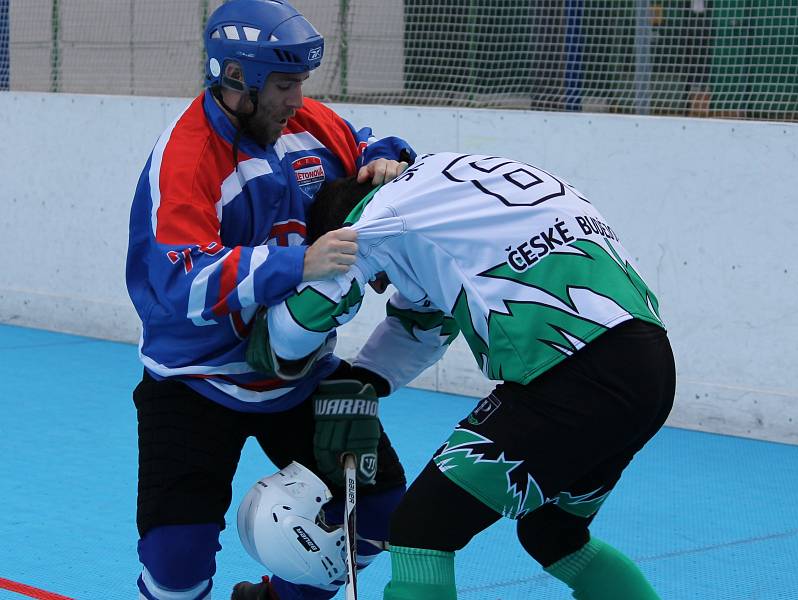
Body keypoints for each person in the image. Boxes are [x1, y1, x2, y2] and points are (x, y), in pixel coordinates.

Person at [250, 152, 676, 599]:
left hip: (573, 376)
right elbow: (427, 321)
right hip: (649, 366)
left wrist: (267, 347)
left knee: (420, 531)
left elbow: (311, 311)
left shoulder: (376, 218)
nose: (381, 286)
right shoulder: (447, 188)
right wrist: (365, 381)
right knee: (554, 536)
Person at [124, 1, 413, 599]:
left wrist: (388, 159)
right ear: (235, 80)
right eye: (283, 84)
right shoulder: (184, 159)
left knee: (381, 512)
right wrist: (296, 263)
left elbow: (367, 145)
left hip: (300, 373)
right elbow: (178, 281)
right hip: (196, 378)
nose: (296, 98)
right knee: (176, 558)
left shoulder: (304, 122)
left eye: (302, 82)